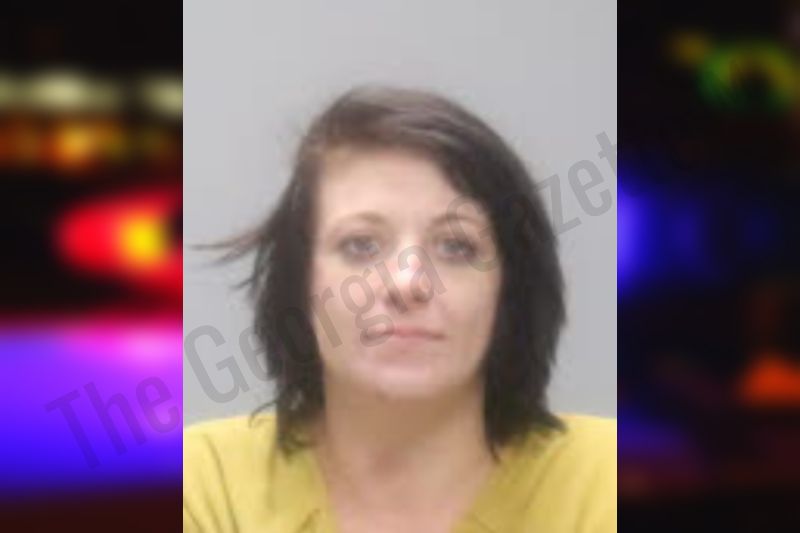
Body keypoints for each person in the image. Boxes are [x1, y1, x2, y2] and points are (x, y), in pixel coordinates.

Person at [184, 86, 616, 533]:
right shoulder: (198, 484)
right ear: (299, 283)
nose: (407, 283)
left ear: (509, 290)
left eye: (456, 247)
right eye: (360, 245)